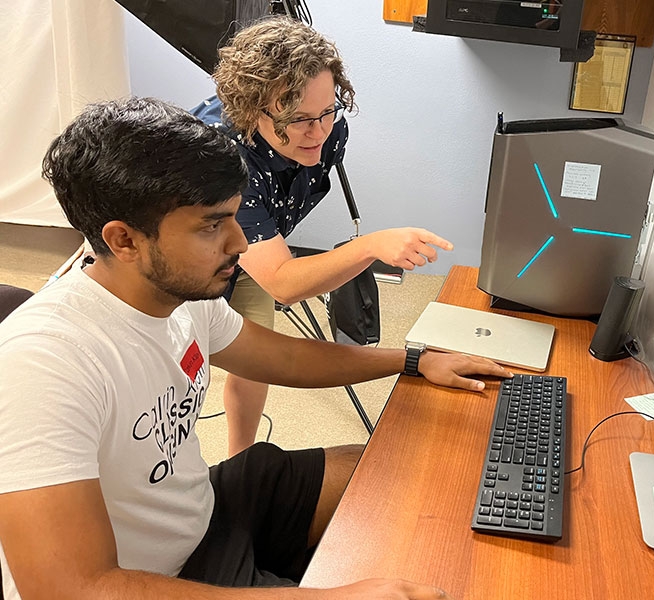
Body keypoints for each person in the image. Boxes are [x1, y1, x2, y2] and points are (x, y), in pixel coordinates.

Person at [0, 97, 512, 599]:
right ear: (125, 241)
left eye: (234, 217)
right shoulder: (44, 362)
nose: (240, 243)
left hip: (204, 509)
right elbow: (70, 587)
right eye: (211, 226)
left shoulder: (179, 293)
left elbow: (282, 357)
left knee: (396, 470)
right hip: (157, 576)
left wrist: (414, 360)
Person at [191, 16, 453, 457]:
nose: (318, 132)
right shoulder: (220, 157)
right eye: (298, 120)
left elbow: (274, 270)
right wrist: (368, 246)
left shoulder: (328, 131)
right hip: (184, 262)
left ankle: (241, 458)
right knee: (178, 374)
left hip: (251, 247)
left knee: (255, 359)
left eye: (327, 111)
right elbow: (283, 281)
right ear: (253, 107)